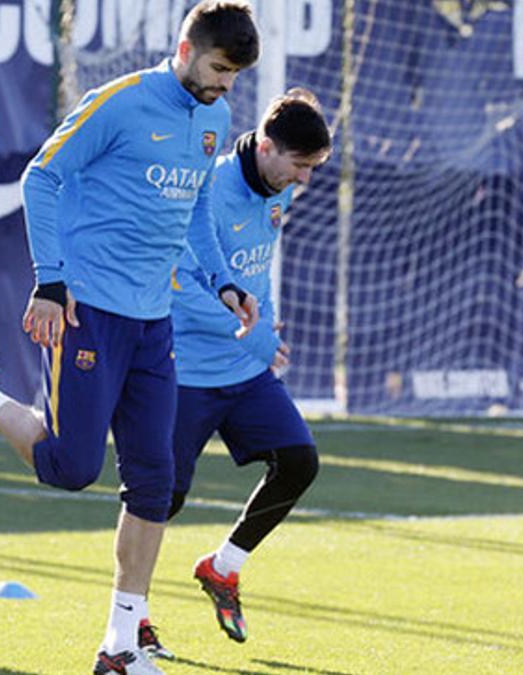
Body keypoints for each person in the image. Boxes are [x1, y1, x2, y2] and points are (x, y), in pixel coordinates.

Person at [0, 2, 260, 672]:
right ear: (186, 48)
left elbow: (195, 215)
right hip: (87, 311)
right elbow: (42, 175)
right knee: (72, 467)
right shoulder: (120, 103)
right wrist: (51, 280)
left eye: (235, 76)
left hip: (153, 321)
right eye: (219, 69)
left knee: (155, 481)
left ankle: (120, 645)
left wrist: (223, 282)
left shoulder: (214, 119)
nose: (225, 86)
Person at [140, 89, 331, 655]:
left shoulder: (277, 191)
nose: (304, 179)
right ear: (267, 147)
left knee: (298, 462)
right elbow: (178, 282)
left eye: (313, 168)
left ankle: (223, 567)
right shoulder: (209, 189)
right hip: (184, 370)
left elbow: (259, 271)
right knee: (158, 499)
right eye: (300, 165)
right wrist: (247, 332)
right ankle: (134, 622)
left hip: (243, 368)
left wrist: (263, 325)